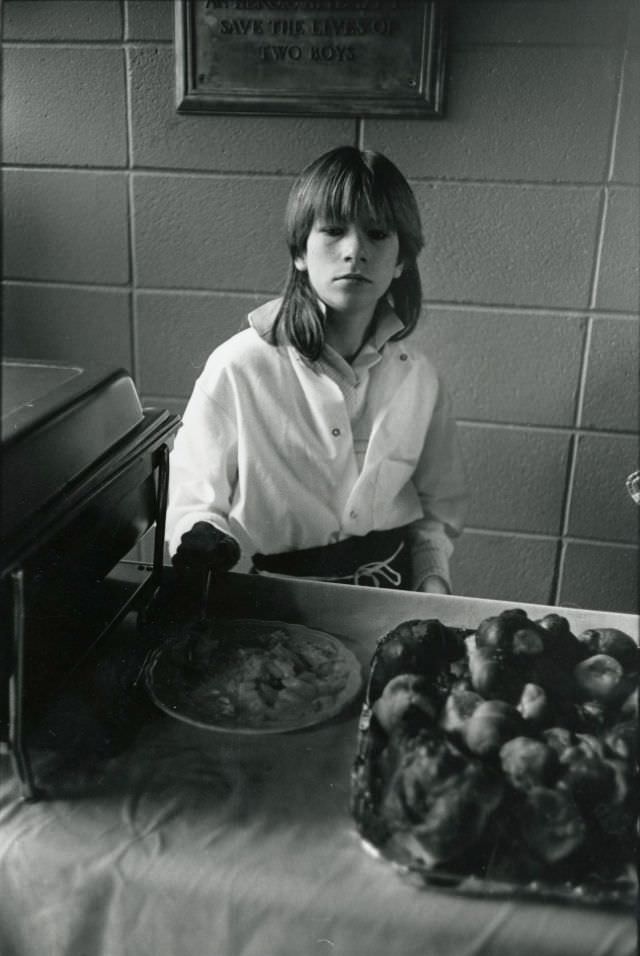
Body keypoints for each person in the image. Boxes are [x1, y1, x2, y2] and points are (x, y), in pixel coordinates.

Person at [166, 146, 467, 593]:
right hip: (271, 603)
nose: (354, 251)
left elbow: (435, 514)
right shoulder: (238, 366)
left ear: (402, 259)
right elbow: (191, 506)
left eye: (378, 234)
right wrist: (207, 547)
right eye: (332, 231)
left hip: (392, 592)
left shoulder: (420, 378)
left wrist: (432, 584)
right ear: (300, 252)